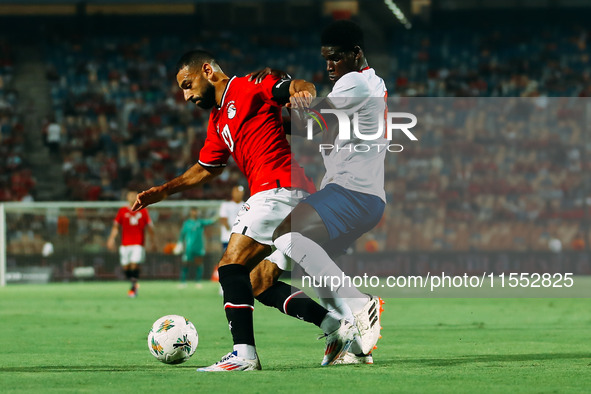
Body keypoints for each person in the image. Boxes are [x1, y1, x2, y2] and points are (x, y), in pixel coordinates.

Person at [131, 50, 352, 371]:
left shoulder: (248, 86)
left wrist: (304, 92)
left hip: (279, 191)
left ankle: (244, 355)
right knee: (257, 280)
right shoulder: (218, 120)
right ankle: (336, 328)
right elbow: (206, 168)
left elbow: (290, 87)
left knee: (230, 266)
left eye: (188, 84)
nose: (186, 95)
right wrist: (164, 190)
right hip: (291, 198)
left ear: (207, 71)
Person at [249, 20, 387, 364]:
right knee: (263, 279)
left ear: (356, 54)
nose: (329, 66)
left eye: (336, 58)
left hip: (353, 193)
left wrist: (271, 90)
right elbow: (310, 125)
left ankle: (359, 304)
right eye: (326, 58)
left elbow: (306, 122)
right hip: (359, 196)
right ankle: (353, 345)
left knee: (285, 233)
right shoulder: (364, 83)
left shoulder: (354, 82)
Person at [107, 190, 156, 297]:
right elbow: (116, 226)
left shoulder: (143, 211)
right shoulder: (122, 211)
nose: (132, 197)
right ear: (127, 198)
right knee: (126, 268)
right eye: (130, 195)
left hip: (138, 243)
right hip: (125, 244)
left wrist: (152, 241)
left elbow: (149, 227)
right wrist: (111, 239)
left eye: (134, 195)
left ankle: (134, 288)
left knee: (134, 264)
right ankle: (133, 283)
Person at [177, 207, 217, 288]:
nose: (195, 213)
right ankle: (183, 282)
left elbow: (211, 221)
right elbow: (182, 234)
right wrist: (180, 243)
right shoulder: (187, 223)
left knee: (199, 264)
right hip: (189, 247)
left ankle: (198, 281)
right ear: (191, 212)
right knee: (185, 264)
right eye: (193, 211)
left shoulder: (200, 222)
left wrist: (218, 216)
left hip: (199, 247)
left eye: (196, 211)